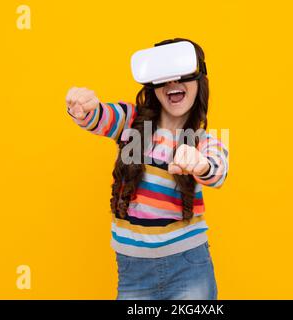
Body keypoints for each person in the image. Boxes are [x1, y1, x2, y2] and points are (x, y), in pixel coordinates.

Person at [66, 38, 228, 300]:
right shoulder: (130, 121)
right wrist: (83, 108)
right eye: (164, 75)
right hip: (133, 271)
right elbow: (99, 117)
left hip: (189, 267)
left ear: (200, 80)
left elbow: (218, 169)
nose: (173, 82)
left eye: (183, 73)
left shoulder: (203, 141)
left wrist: (201, 163)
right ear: (153, 83)